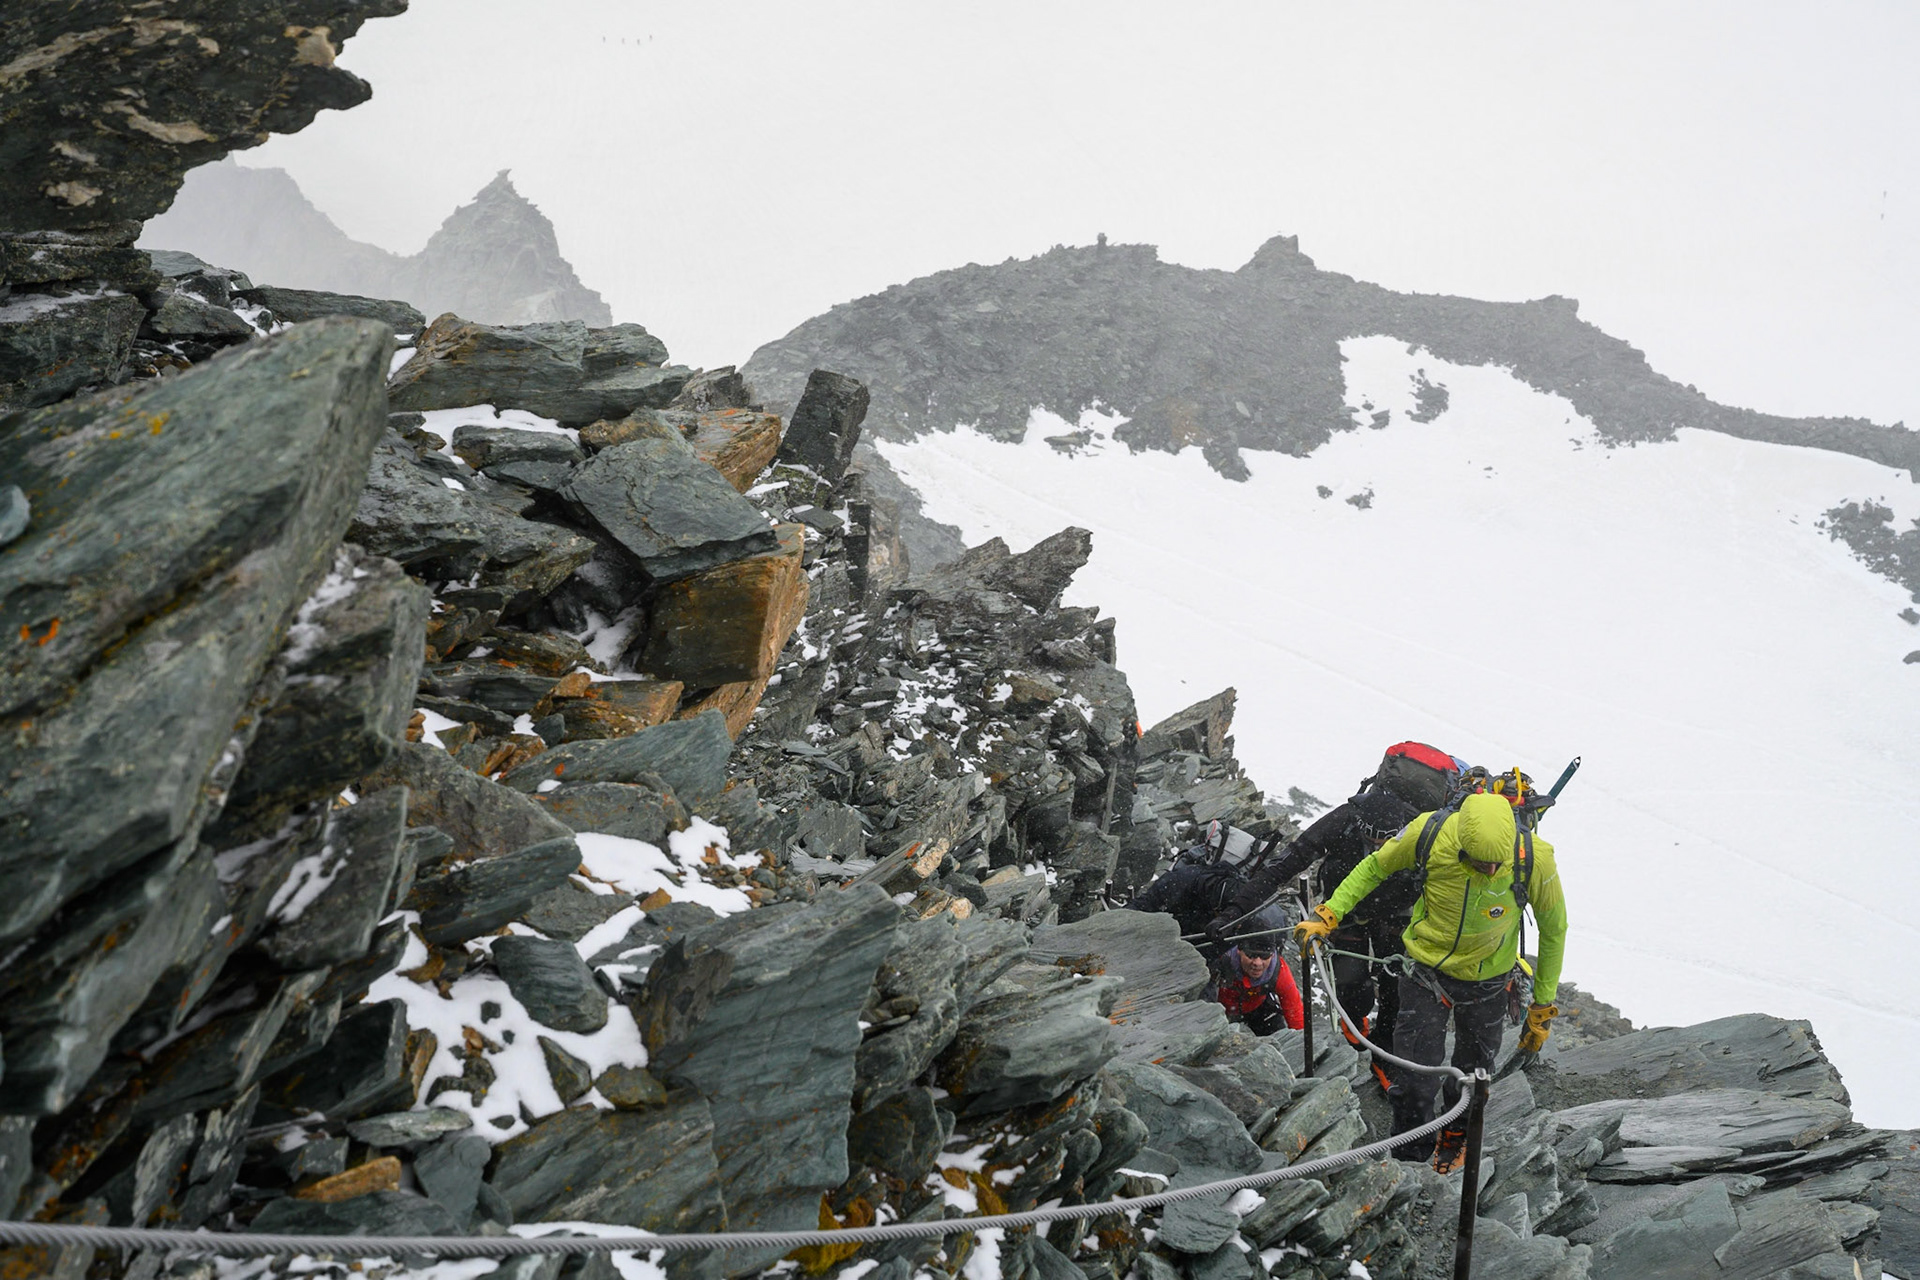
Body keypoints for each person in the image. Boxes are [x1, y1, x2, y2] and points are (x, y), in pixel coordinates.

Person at [1297, 790, 1567, 1174]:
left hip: (1488, 980)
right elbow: (1374, 867)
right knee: (1414, 1077)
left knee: (1473, 1074)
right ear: (1462, 845)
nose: (1491, 870)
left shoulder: (1533, 858)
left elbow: (1554, 929)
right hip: (1426, 972)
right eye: (1481, 862)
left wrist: (1542, 1004)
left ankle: (1456, 1134)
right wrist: (1329, 913)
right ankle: (1410, 1154)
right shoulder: (1430, 833)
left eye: (1497, 863)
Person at [1208, 788, 1419, 1079]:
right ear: (1360, 823)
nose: (1378, 846)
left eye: (1385, 840)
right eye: (1371, 838)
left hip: (1394, 911)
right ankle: (1355, 1015)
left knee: (1394, 986)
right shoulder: (1342, 821)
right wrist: (1235, 912)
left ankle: (1385, 1057)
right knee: (1352, 987)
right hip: (1344, 909)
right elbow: (1283, 867)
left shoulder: (1419, 830)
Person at [1124, 823, 1248, 958]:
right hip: (1173, 936)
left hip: (1190, 940)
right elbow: (1144, 904)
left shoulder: (1186, 878)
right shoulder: (1183, 881)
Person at [1209, 917, 1304, 1035]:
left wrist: (1301, 1041)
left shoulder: (1278, 971)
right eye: (1251, 955)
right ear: (1239, 950)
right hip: (1219, 1010)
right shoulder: (1221, 961)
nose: (1258, 963)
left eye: (1265, 956)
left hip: (1257, 1010)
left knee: (1278, 1037)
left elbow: (1294, 1009)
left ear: (1272, 954)